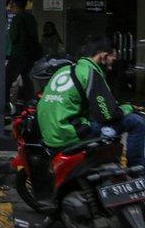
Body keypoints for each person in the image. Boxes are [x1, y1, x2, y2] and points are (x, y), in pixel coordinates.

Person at [38, 35, 145, 168]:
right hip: (69, 134)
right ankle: (137, 170)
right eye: (113, 58)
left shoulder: (65, 69)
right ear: (103, 56)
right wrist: (128, 108)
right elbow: (109, 114)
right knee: (136, 122)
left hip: (49, 135)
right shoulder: (91, 72)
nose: (112, 66)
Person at [6, 0, 41, 105]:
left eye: (12, 4)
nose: (10, 6)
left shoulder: (18, 18)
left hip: (19, 54)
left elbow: (14, 36)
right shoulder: (30, 18)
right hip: (30, 55)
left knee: (7, 79)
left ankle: (6, 104)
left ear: (16, 5)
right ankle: (30, 102)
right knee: (26, 78)